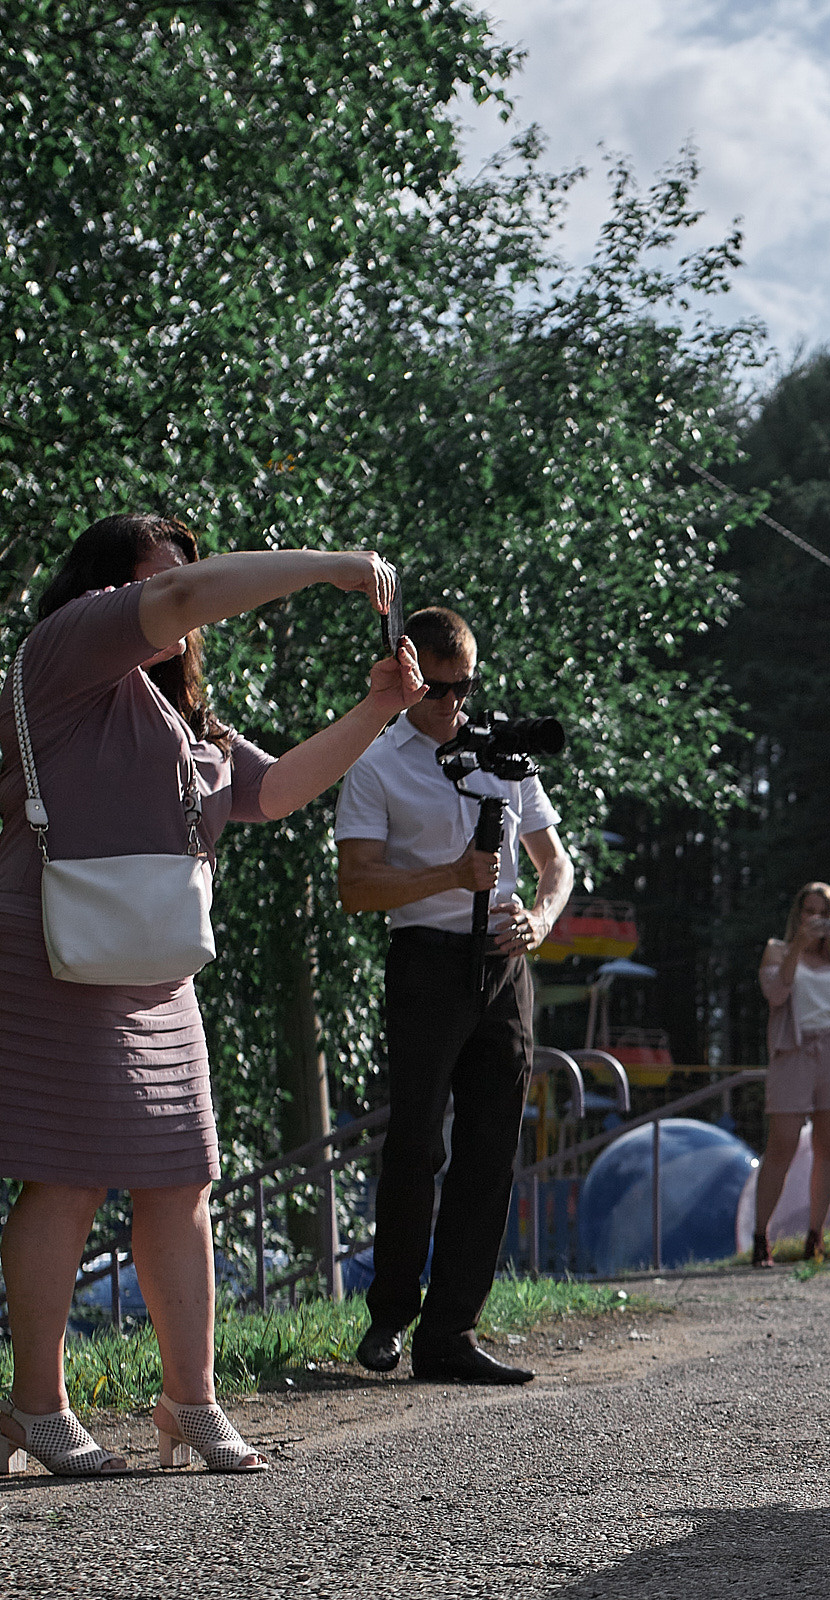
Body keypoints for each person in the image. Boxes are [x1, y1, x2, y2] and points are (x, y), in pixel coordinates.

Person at [0, 514, 420, 1476]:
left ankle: (189, 1402)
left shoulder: (182, 714)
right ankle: (35, 1405)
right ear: (107, 586)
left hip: (155, 966)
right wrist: (331, 568)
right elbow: (185, 601)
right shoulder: (66, 653)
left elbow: (272, 794)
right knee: (64, 1177)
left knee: (182, 1177)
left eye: (190, 583)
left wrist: (377, 713)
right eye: (167, 581)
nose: (191, 603)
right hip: (53, 949)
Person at [335, 606, 576, 1382]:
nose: (451, 705)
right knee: (414, 1145)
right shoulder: (376, 765)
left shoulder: (504, 759)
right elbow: (354, 886)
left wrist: (540, 917)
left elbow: (556, 864)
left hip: (505, 966)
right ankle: (390, 1317)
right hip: (426, 962)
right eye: (434, 690)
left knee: (491, 1149)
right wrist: (449, 877)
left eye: (462, 687)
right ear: (408, 684)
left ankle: (453, 1332)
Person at [755, 881, 830, 1266]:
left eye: (823, 912)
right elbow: (776, 995)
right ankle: (760, 1234)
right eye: (808, 911)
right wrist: (797, 946)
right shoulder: (778, 950)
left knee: (827, 1145)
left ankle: (815, 1235)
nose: (815, 919)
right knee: (782, 1143)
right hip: (793, 1054)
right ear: (798, 916)